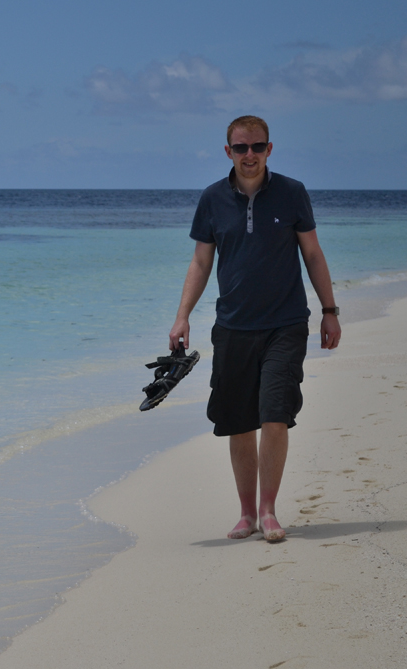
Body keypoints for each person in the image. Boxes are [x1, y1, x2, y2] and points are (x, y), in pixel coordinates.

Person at [169, 115, 341, 542]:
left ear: (269, 149)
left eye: (258, 147)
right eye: (241, 148)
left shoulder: (292, 193)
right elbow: (201, 262)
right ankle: (246, 513)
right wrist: (182, 315)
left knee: (275, 416)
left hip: (285, 323)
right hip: (232, 327)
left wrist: (329, 309)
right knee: (240, 423)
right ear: (228, 152)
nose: (250, 155)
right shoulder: (211, 199)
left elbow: (313, 255)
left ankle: (268, 511)